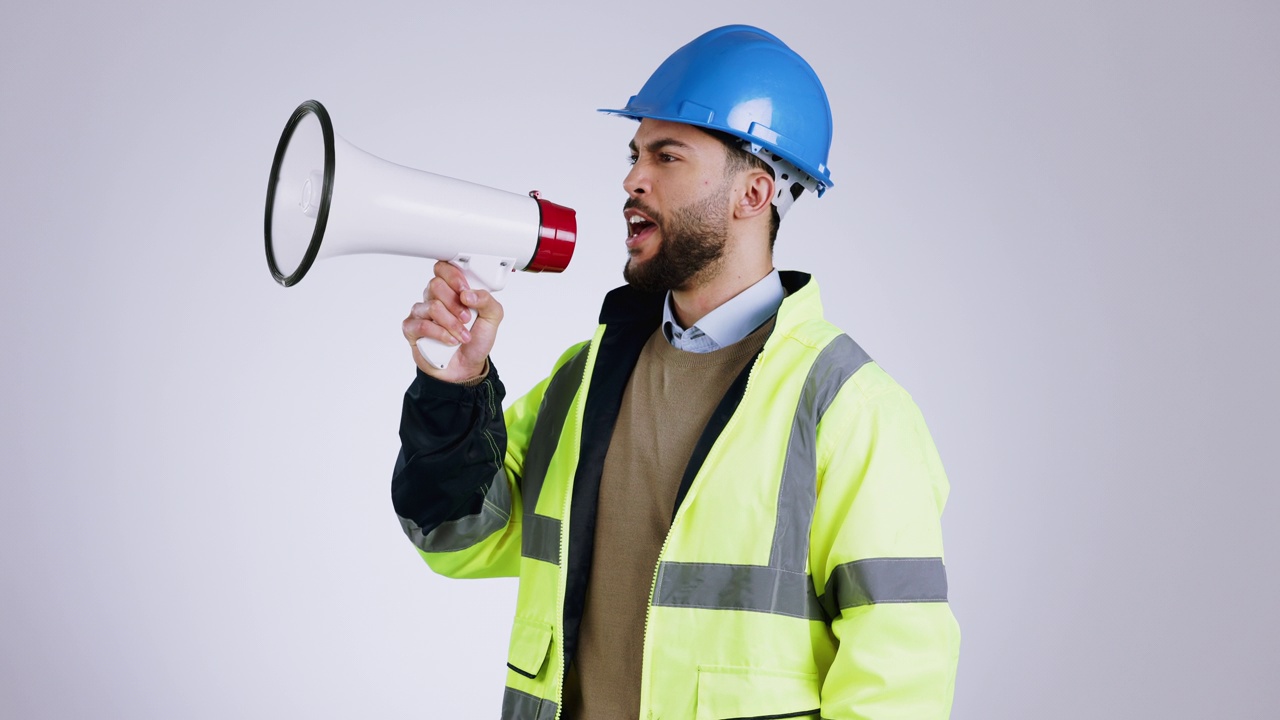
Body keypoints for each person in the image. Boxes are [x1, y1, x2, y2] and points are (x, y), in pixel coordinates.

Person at [391, 25, 960, 720]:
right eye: (635, 155)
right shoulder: (586, 377)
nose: (632, 179)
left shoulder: (849, 405)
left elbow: (900, 679)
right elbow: (457, 542)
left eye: (666, 156)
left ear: (753, 194)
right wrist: (453, 388)